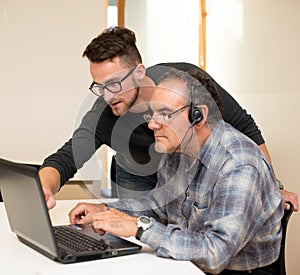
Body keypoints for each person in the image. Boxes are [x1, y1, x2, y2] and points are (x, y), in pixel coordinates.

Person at [39, 26, 298, 210]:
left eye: (114, 84)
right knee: (136, 237)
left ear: (139, 72)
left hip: (187, 171)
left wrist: (272, 188)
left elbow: (245, 127)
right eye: (99, 86)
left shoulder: (186, 83)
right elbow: (67, 156)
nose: (107, 95)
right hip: (136, 173)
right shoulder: (105, 113)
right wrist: (44, 186)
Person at [68, 68, 283, 274]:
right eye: (153, 114)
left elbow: (216, 253)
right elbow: (157, 206)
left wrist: (140, 228)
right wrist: (105, 211)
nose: (152, 124)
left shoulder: (238, 165)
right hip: (190, 262)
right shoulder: (177, 149)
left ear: (198, 116)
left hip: (237, 271)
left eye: (164, 114)